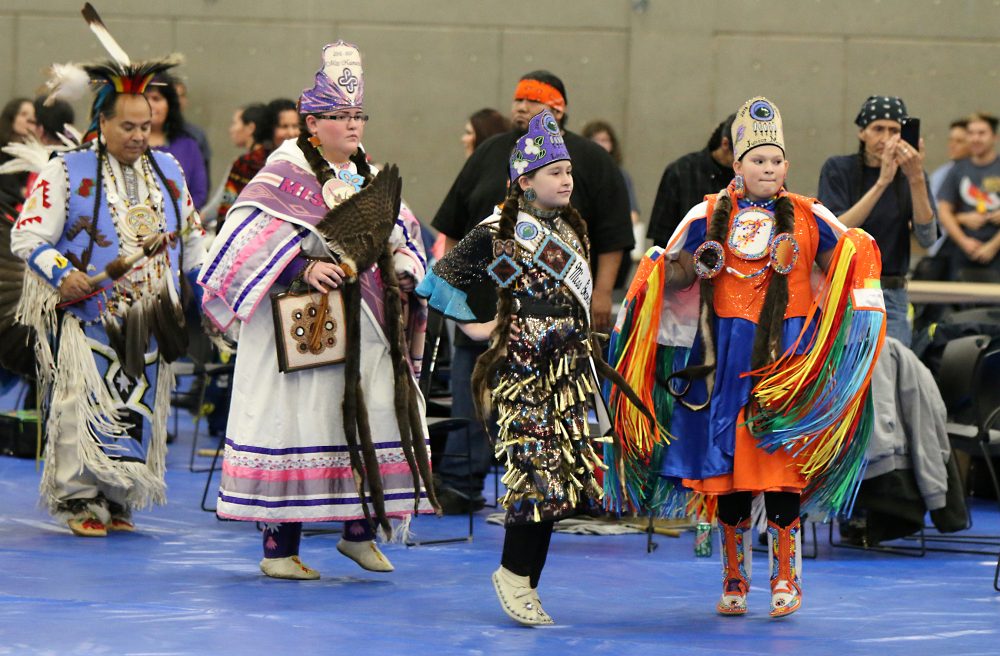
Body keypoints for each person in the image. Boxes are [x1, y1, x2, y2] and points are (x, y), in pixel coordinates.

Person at [612, 97, 884, 618]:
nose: (768, 168)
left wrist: (860, 254)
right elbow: (682, 273)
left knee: (779, 473)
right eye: (757, 159)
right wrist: (656, 271)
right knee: (729, 476)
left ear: (786, 165)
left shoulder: (809, 216)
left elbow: (841, 263)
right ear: (736, 164)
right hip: (722, 366)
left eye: (776, 160)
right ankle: (735, 578)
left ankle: (786, 579)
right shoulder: (707, 214)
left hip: (784, 366)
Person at [199, 41, 435, 581]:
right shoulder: (282, 170)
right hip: (303, 323)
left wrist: (404, 267)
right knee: (297, 423)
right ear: (312, 121)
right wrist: (300, 268)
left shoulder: (368, 173)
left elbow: (403, 230)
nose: (353, 126)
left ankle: (359, 533)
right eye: (341, 116)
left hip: (369, 323)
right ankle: (279, 548)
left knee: (369, 415)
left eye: (358, 115)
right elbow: (241, 242)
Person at [417, 109, 648, 626]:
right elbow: (442, 281)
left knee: (560, 482)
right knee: (533, 477)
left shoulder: (570, 228)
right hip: (523, 373)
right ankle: (513, 574)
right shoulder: (503, 231)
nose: (566, 180)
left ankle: (527, 581)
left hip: (567, 373)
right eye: (555, 173)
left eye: (568, 172)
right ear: (525, 180)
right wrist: (484, 329)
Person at [9, 6, 206, 537]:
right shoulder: (67, 170)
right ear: (102, 122)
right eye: (129, 126)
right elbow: (27, 235)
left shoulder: (168, 170)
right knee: (82, 403)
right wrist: (61, 274)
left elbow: (190, 234)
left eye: (147, 125)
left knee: (135, 403)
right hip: (90, 312)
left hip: (150, 314)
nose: (140, 135)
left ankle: (119, 497)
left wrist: (204, 285)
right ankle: (79, 501)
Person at [431, 70, 633, 514]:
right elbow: (445, 254)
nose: (520, 107)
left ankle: (570, 490)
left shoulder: (585, 179)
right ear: (524, 180)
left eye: (533, 100)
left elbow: (615, 235)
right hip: (502, 323)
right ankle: (474, 488)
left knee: (566, 412)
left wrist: (599, 295)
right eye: (517, 99)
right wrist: (471, 320)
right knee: (488, 404)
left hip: (560, 333)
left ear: (558, 108)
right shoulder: (494, 174)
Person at [817, 95, 937, 347]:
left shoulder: (912, 176)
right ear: (862, 132)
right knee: (845, 375)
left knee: (891, 373)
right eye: (877, 129)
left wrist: (915, 177)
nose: (885, 137)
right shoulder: (838, 168)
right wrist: (882, 182)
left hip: (891, 294)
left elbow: (928, 238)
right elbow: (836, 231)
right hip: (845, 289)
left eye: (894, 130)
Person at [646, 114, 736, 248]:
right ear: (725, 144)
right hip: (685, 263)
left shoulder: (759, 180)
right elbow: (661, 241)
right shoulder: (681, 172)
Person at [936, 112, 1000, 280]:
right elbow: (944, 211)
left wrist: (993, 246)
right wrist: (964, 241)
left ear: (995, 137)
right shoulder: (957, 169)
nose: (975, 139)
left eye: (981, 133)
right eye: (971, 133)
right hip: (964, 251)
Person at [145, 75, 208, 208]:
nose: (150, 104)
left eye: (156, 99)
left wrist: (177, 218)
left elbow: (199, 193)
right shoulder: (125, 145)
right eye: (144, 98)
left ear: (170, 105)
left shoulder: (189, 145)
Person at [216, 103, 272, 227]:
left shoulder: (243, 164)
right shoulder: (275, 158)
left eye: (235, 123)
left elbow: (227, 204)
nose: (231, 129)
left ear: (251, 127)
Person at [0, 98, 37, 209]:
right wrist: (20, 193)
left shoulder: (34, 155)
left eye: (33, 117)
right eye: (23, 114)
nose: (29, 120)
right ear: (11, 117)